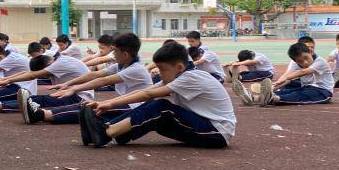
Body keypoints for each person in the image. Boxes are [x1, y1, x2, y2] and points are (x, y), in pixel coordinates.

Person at [79, 41, 235, 149]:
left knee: (162, 107)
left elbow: (148, 93)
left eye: (162, 69)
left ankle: (105, 133)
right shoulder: (180, 76)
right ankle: (108, 129)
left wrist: (110, 104)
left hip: (216, 133)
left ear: (179, 67)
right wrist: (106, 104)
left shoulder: (192, 77)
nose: (159, 73)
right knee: (152, 107)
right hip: (204, 127)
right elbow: (142, 92)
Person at [45, 33, 152, 128]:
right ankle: (44, 113)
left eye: (115, 51)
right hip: (126, 103)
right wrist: (68, 84)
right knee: (87, 107)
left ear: (125, 55)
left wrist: (74, 89)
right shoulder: (121, 65)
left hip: (138, 108)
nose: (113, 54)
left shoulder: (136, 69)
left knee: (91, 111)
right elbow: (94, 74)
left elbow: (103, 81)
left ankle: (44, 115)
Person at [236, 42, 333, 107]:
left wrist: (285, 78)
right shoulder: (295, 64)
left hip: (323, 92)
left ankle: (273, 99)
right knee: (288, 91)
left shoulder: (320, 62)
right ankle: (253, 98)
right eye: (300, 61)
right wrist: (273, 87)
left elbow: (302, 72)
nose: (305, 62)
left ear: (310, 52)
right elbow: (286, 77)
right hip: (306, 87)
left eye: (306, 58)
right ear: (295, 61)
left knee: (298, 95)